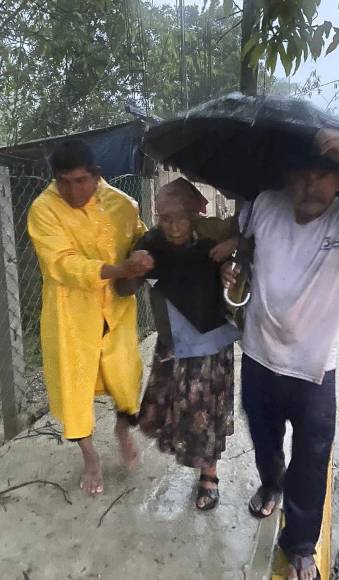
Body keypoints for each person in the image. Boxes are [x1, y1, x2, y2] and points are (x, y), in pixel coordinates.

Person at [222, 129, 339, 580]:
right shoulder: (265, 204)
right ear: (287, 178)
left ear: (338, 181)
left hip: (314, 370)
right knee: (265, 439)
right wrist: (234, 262)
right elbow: (246, 244)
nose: (310, 186)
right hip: (258, 356)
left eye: (323, 176)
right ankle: (271, 484)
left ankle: (299, 546)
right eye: (301, 176)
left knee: (312, 460)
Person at [28, 140, 154, 495]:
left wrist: (145, 258)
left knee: (126, 378)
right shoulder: (43, 209)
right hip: (70, 316)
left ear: (97, 175)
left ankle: (122, 430)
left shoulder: (122, 204)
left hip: (116, 311)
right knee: (73, 387)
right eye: (63, 181)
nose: (71, 190)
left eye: (80, 180)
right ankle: (90, 457)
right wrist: (118, 268)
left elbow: (141, 239)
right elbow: (61, 264)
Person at [116, 178, 240, 510]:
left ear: (192, 213)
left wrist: (230, 262)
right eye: (164, 218)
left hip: (211, 339)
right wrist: (132, 268)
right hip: (173, 341)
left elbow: (251, 247)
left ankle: (209, 475)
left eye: (179, 217)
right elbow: (124, 290)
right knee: (172, 409)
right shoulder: (151, 243)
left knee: (206, 412)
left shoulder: (212, 235)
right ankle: (186, 454)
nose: (172, 227)